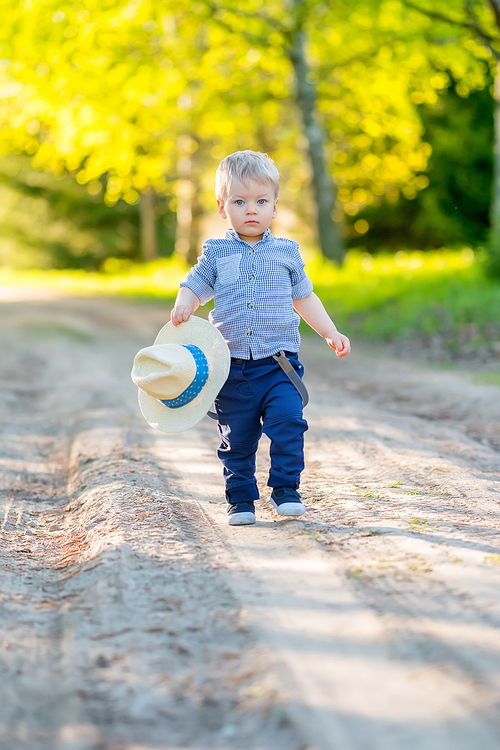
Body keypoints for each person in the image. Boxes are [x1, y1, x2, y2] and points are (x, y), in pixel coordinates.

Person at [171, 150, 350, 526]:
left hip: (279, 364)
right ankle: (240, 499)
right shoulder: (216, 253)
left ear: (274, 206)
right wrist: (185, 304)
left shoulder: (286, 252)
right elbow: (194, 285)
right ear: (223, 208)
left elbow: (304, 298)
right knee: (236, 439)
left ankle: (286, 489)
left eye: (260, 201)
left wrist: (330, 331)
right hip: (232, 370)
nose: (251, 210)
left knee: (288, 422)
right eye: (239, 202)